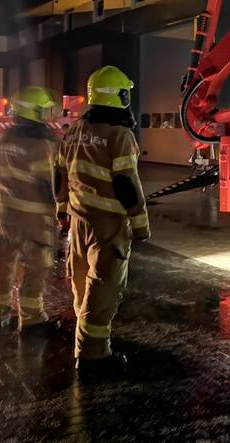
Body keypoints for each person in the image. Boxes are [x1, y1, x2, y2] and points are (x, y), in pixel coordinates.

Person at [58, 65, 149, 378]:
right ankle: (94, 355)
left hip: (78, 221)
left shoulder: (74, 131)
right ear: (120, 96)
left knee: (81, 284)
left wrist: (61, 210)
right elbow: (126, 183)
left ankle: (85, 342)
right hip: (108, 225)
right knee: (104, 288)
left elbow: (59, 176)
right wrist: (140, 224)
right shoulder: (120, 135)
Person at [0, 86, 63, 337]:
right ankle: (32, 319)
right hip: (33, 219)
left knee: (3, 267)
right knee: (36, 269)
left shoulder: (3, 140)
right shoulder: (41, 145)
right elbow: (49, 184)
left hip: (4, 216)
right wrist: (58, 213)